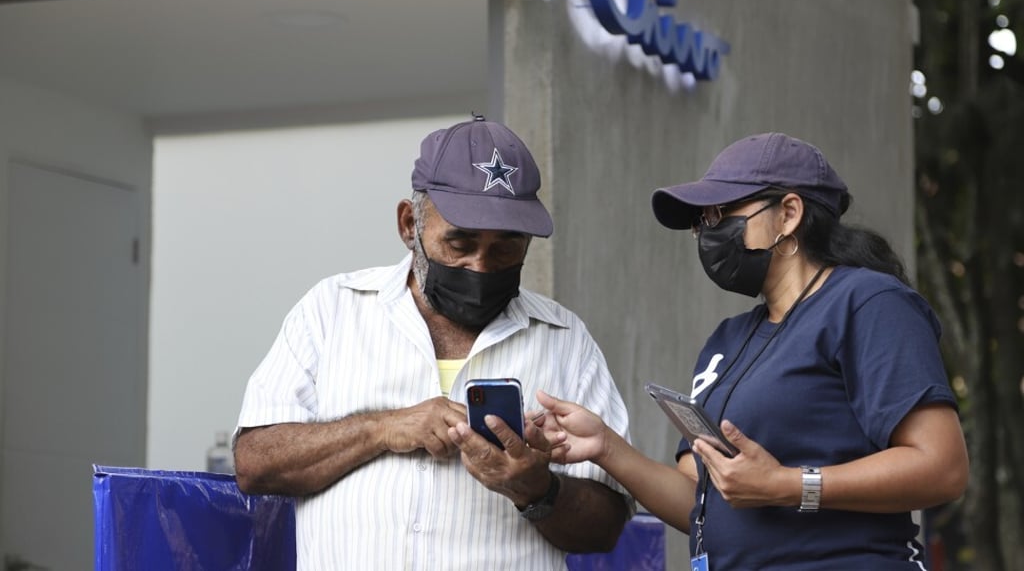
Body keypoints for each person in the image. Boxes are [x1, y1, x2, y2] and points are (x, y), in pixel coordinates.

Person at [536, 132, 969, 570]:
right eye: (701, 222)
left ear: (789, 214)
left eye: (722, 214)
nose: (707, 233)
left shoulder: (867, 303)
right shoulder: (727, 340)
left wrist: (788, 485)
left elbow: (942, 467)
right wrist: (605, 447)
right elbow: (701, 498)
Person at [232, 115, 633, 570]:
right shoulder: (331, 311)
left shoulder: (565, 340)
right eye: (459, 243)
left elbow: (607, 526)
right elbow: (255, 463)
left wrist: (538, 490)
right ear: (409, 225)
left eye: (507, 247)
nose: (482, 267)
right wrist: (382, 429)